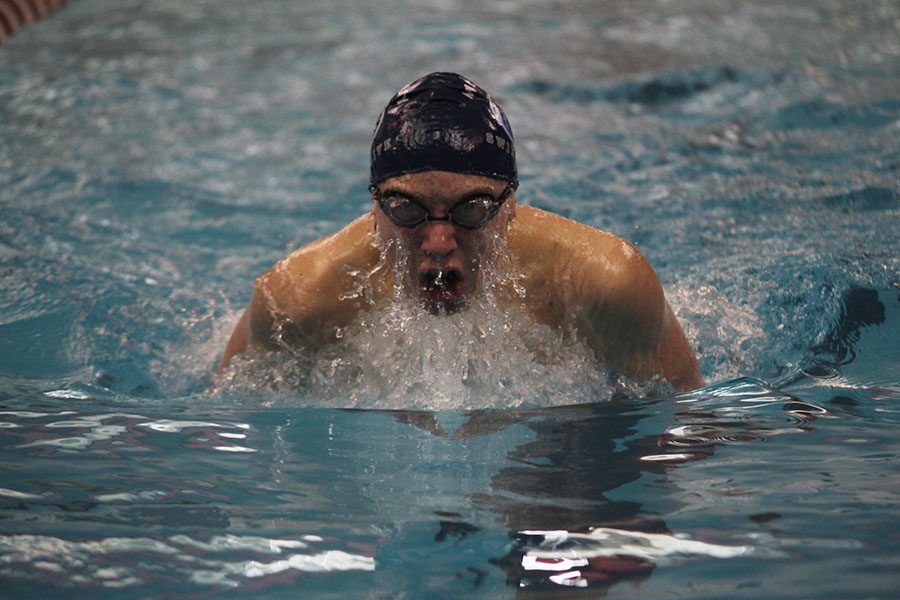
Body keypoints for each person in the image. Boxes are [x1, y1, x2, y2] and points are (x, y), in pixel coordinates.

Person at [220, 72, 703, 391]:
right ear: (375, 206)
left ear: (510, 205)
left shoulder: (602, 283)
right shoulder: (297, 298)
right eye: (406, 209)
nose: (437, 243)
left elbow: (689, 430)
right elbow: (229, 430)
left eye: (471, 209)